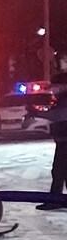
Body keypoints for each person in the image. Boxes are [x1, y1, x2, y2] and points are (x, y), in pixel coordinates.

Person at [40, 53, 67, 210]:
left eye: (55, 86)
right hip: (62, 140)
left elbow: (59, 115)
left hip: (65, 141)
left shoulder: (65, 99)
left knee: (58, 171)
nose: (53, 89)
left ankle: (55, 200)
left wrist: (37, 113)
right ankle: (56, 200)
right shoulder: (61, 99)